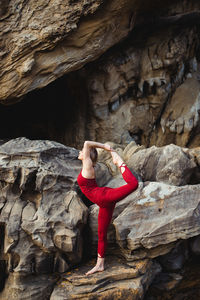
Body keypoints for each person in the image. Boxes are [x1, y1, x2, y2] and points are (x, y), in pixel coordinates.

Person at [77, 141, 138, 275]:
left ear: (88, 155)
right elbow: (86, 146)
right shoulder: (87, 166)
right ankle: (100, 264)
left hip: (105, 197)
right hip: (104, 202)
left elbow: (87, 143)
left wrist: (106, 148)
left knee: (134, 184)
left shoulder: (87, 165)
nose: (80, 152)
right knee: (101, 234)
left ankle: (120, 162)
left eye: (82, 151)